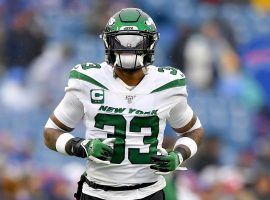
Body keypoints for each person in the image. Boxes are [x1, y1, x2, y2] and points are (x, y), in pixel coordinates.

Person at [43, 8, 204, 200]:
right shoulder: (87, 80)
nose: (128, 49)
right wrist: (80, 146)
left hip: (149, 192)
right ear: (108, 43)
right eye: (121, 42)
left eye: (136, 42)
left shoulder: (167, 84)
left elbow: (194, 131)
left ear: (150, 44)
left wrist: (179, 155)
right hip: (97, 192)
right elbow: (51, 133)